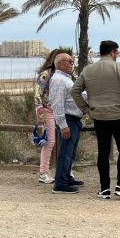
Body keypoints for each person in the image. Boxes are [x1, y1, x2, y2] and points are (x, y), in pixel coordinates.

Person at [72, 40, 120, 200]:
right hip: (119, 115)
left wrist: (87, 109)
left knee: (102, 152)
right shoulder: (119, 68)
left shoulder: (88, 70)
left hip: (99, 117)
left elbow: (75, 91)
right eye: (117, 53)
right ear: (113, 52)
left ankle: (104, 188)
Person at [49, 52, 85, 194]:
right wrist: (63, 125)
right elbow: (57, 104)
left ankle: (66, 177)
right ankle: (60, 183)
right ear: (59, 64)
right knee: (65, 152)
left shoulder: (65, 79)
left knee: (70, 152)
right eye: (69, 61)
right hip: (68, 119)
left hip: (74, 119)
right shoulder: (58, 80)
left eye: (72, 61)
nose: (72, 64)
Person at [33, 49, 64, 184]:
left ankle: (63, 170)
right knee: (50, 141)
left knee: (61, 140)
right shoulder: (45, 75)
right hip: (47, 110)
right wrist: (40, 112)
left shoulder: (61, 75)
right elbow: (37, 94)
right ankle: (43, 172)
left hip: (58, 110)